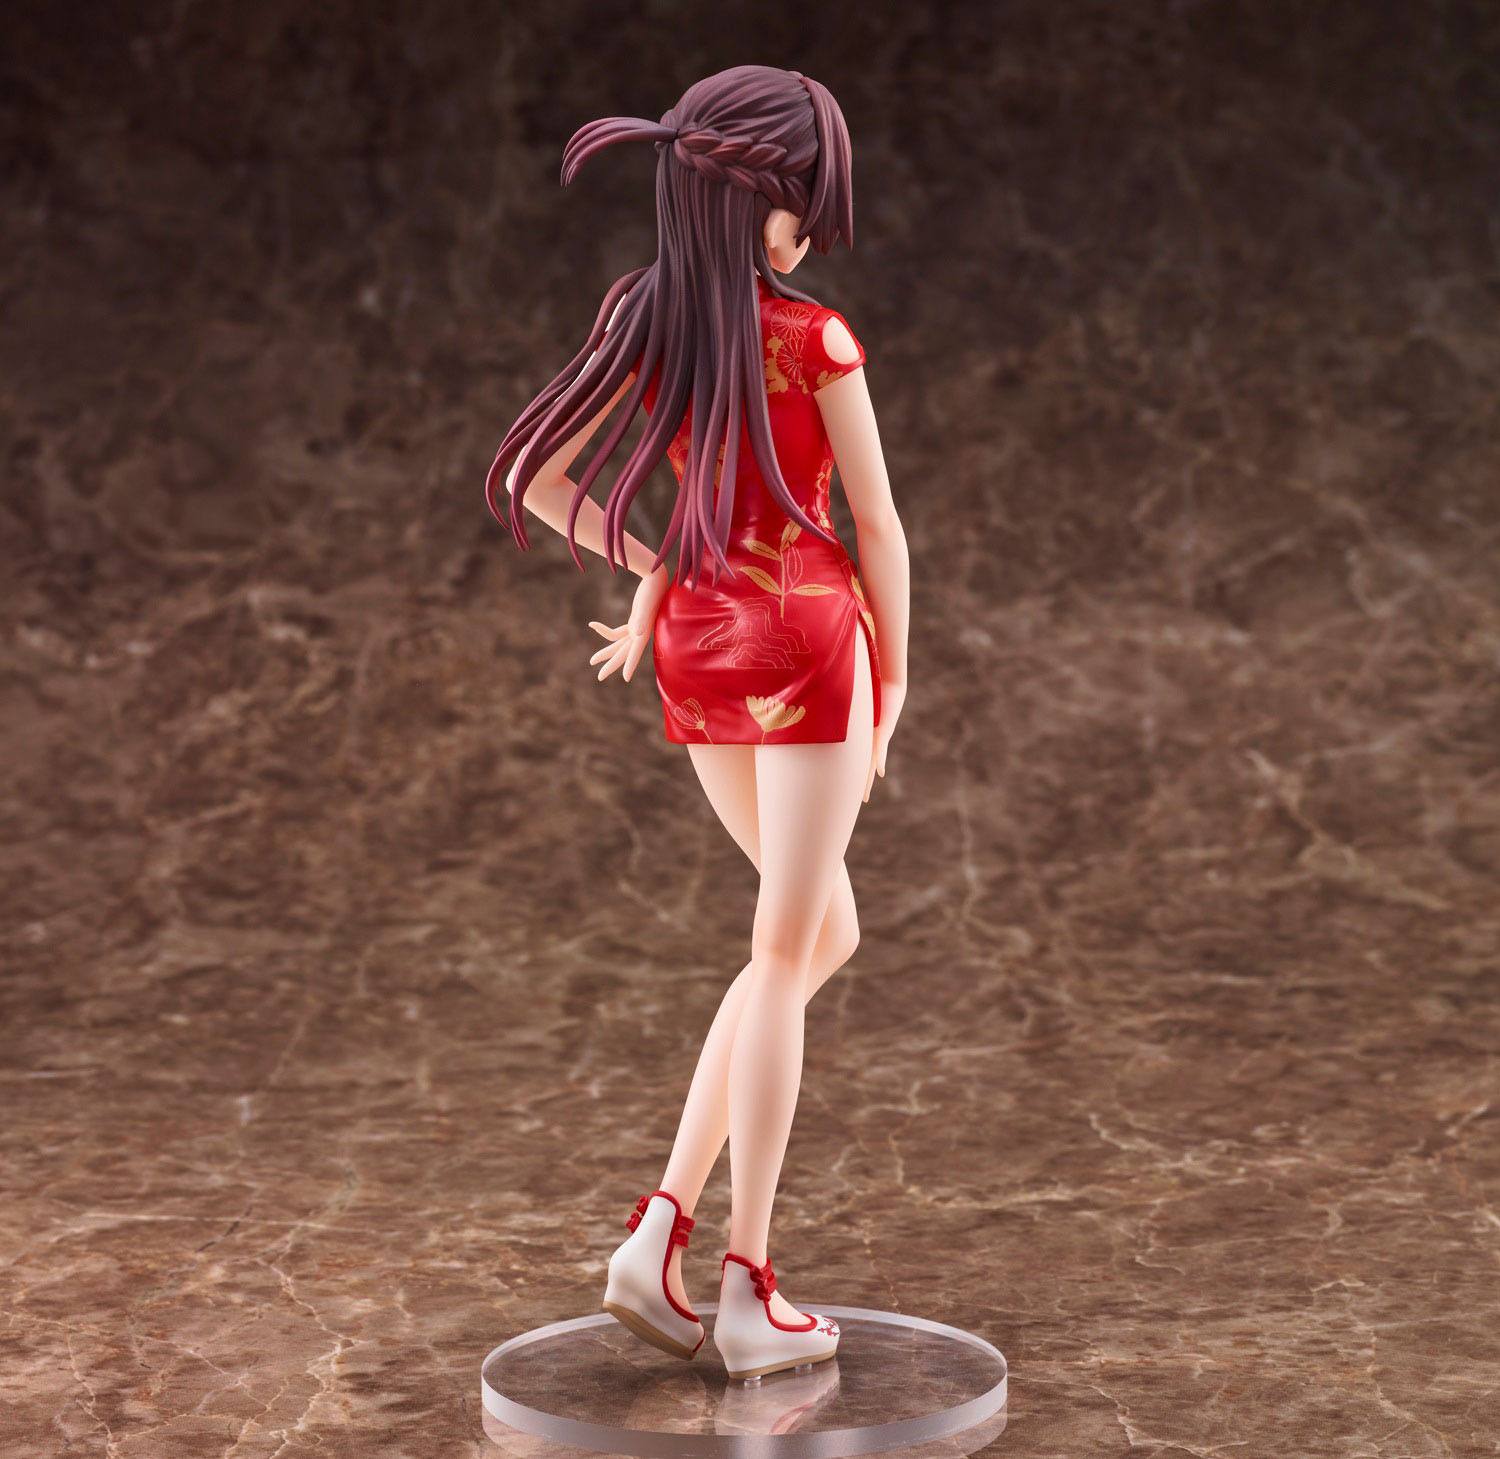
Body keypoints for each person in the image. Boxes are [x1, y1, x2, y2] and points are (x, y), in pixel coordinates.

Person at [486, 63, 910, 1381]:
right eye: (800, 207)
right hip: (808, 636)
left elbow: (533, 473)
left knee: (818, 932)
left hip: (698, 643)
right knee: (785, 953)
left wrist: (661, 563)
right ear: (758, 200)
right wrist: (895, 682)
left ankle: (654, 1235)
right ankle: (745, 1284)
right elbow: (878, 526)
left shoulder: (646, 312)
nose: (806, 235)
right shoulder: (814, 339)